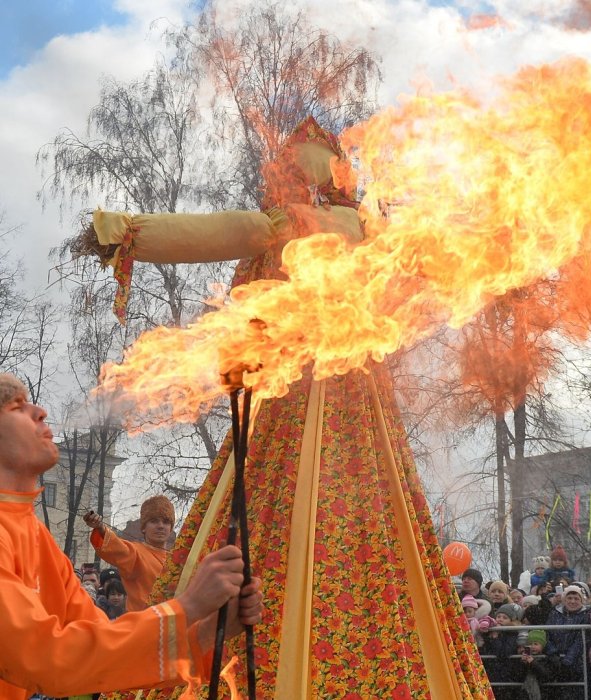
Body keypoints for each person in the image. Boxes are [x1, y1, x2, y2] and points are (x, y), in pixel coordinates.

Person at [90, 117, 492, 699]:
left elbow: (217, 232)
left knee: (289, 494)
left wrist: (128, 232)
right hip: (335, 387)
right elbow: (434, 254)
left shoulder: (293, 221)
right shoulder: (363, 227)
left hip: (307, 387)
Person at [0, 373, 263, 699]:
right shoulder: (136, 551)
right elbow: (43, 657)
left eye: (166, 522)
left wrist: (207, 632)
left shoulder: (36, 535)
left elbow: (100, 646)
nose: (40, 411)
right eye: (16, 407)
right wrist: (189, 606)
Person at [84, 494, 175, 612]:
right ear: (143, 527)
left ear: (171, 528)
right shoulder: (135, 552)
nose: (161, 526)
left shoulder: (177, 559)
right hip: (142, 620)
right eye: (154, 521)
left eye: (166, 522)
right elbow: (117, 546)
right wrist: (100, 527)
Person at [546, 585, 591, 700]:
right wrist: (552, 653)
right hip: (555, 661)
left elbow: (581, 640)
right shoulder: (554, 613)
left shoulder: (586, 615)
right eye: (569, 598)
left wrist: (568, 659)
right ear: (564, 599)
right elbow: (547, 634)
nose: (572, 601)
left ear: (582, 600)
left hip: (577, 662)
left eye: (576, 598)